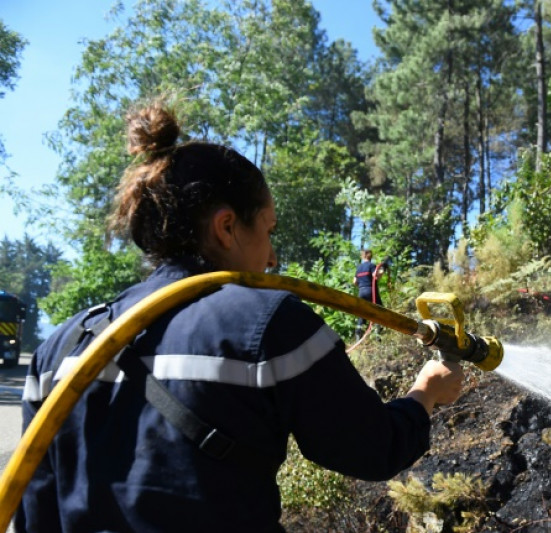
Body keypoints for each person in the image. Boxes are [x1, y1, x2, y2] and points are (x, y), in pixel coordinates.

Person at [16, 101, 464, 533]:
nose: (271, 258)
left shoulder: (63, 346)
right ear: (226, 226)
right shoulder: (269, 323)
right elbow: (372, 449)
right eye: (267, 230)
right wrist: (426, 392)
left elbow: (35, 512)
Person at [353, 249, 385, 338]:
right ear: (370, 256)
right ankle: (378, 335)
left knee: (363, 313)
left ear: (362, 256)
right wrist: (382, 271)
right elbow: (375, 276)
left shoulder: (359, 268)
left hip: (361, 292)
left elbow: (354, 282)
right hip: (371, 291)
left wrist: (362, 283)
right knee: (380, 311)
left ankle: (358, 334)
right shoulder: (371, 265)